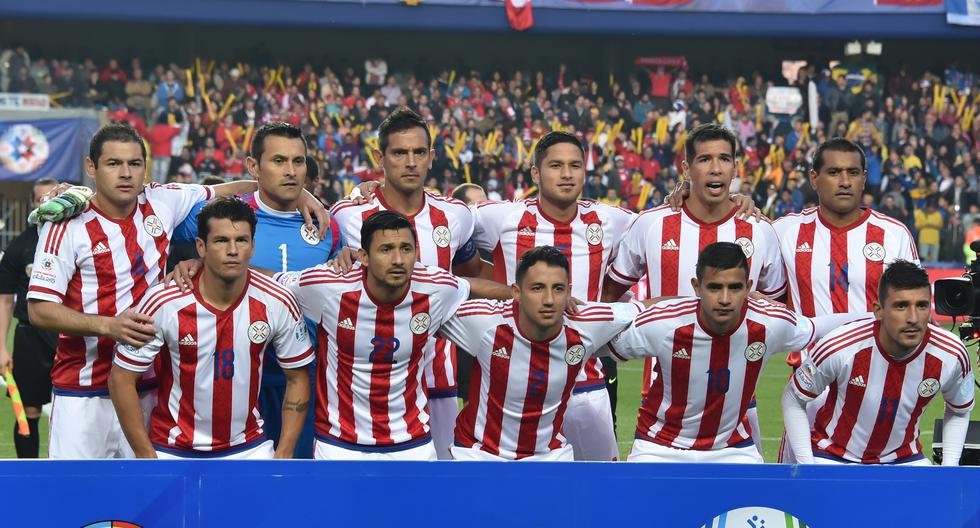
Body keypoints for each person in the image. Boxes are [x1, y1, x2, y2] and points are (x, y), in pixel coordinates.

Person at [25, 123, 325, 459]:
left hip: (148, 385)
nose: (126, 174)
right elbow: (40, 310)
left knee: (141, 503)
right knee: (80, 503)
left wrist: (301, 194)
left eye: (135, 164)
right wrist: (109, 325)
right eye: (113, 164)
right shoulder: (66, 224)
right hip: (82, 392)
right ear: (91, 168)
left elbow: (230, 190)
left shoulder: (161, 199)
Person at [602, 123, 786, 453]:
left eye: (724, 159)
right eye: (704, 160)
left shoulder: (760, 231)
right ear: (686, 169)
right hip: (663, 396)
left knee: (739, 503)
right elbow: (610, 295)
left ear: (735, 167)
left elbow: (778, 310)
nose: (715, 168)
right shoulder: (651, 224)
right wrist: (646, 309)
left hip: (738, 405)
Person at [272, 211, 509, 460]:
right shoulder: (327, 285)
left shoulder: (437, 287)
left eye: (406, 249)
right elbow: (272, 283)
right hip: (339, 444)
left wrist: (523, 298)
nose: (398, 259)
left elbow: (472, 287)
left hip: (413, 443)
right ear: (362, 256)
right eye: (386, 249)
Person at [171, 122, 346, 459]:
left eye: (298, 162)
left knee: (295, 481)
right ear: (254, 166)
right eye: (279, 161)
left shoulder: (328, 227)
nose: (291, 171)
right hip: (232, 373)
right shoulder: (220, 216)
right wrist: (192, 262)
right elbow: (151, 217)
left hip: (304, 376)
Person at [604, 242, 866, 462]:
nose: (725, 299)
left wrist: (879, 317)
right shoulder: (664, 324)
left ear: (748, 287)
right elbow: (602, 345)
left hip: (732, 449)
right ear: (697, 287)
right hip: (658, 447)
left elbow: (817, 327)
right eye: (715, 287)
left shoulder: (769, 323)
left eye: (735, 288)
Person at [330, 108, 487, 460]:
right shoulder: (347, 215)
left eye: (419, 152)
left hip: (440, 374)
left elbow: (473, 273)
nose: (411, 162)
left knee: (441, 489)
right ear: (379, 158)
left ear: (432, 157)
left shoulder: (456, 215)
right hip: (367, 381)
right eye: (400, 153)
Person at [470, 131, 636, 461]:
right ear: (536, 173)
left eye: (575, 165)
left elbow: (660, 226)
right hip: (516, 388)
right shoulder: (501, 218)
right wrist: (367, 192)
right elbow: (438, 219)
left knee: (599, 493)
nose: (566, 174)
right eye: (556, 165)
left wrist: (683, 193)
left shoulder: (611, 220)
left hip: (585, 384)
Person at [109, 197, 314, 459]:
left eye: (241, 240)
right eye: (221, 241)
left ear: (252, 246)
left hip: (249, 448)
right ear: (201, 247)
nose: (233, 250)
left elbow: (297, 378)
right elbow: (121, 379)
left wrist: (284, 452)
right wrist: (146, 457)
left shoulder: (277, 300)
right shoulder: (163, 301)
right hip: (172, 449)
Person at [772, 138, 919, 462]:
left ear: (864, 178)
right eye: (834, 171)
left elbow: (916, 310)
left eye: (853, 172)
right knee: (797, 495)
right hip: (811, 388)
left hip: (878, 386)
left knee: (880, 495)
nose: (844, 181)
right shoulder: (785, 232)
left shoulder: (893, 235)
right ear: (814, 178)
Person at [439, 246, 646, 461]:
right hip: (478, 454)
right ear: (516, 292)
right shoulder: (483, 322)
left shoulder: (585, 323)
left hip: (549, 456)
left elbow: (648, 310)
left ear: (569, 292)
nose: (548, 299)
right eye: (537, 288)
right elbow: (428, 306)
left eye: (558, 289)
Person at [783, 260, 975, 465]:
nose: (913, 318)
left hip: (905, 461)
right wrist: (807, 465)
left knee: (941, 496)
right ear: (878, 310)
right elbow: (793, 397)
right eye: (901, 306)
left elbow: (960, 410)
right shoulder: (840, 345)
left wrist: (949, 469)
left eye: (921, 306)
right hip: (833, 457)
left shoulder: (952, 353)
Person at [0, 177, 59, 458]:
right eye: (41, 199)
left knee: (72, 409)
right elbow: (4, 299)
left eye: (53, 197)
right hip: (29, 337)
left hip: (68, 336)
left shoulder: (78, 238)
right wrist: (1, 347)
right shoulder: (19, 247)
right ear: (33, 204)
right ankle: (28, 475)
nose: (47, 204)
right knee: (29, 411)